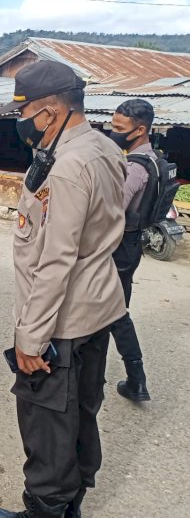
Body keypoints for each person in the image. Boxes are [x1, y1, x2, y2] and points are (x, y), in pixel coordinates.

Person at [0, 61, 127, 518]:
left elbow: (56, 259)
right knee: (81, 414)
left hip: (61, 321)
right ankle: (72, 504)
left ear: (49, 111)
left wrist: (31, 338)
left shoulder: (68, 167)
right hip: (98, 307)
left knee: (46, 424)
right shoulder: (106, 148)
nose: (22, 123)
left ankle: (45, 509)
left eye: (24, 113)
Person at [107, 99, 156, 402]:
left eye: (118, 128)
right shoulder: (152, 158)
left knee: (112, 312)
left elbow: (112, 212)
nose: (113, 132)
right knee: (114, 310)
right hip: (132, 245)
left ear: (139, 130)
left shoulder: (135, 167)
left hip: (119, 248)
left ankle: (137, 379)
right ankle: (135, 379)